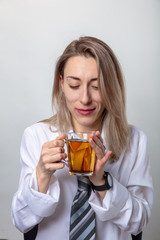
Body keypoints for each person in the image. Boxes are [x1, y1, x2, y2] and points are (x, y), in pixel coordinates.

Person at [11, 36, 153, 240]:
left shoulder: (135, 140)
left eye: (96, 86)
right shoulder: (36, 136)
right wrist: (41, 175)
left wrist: (102, 183)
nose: (85, 99)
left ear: (111, 87)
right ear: (61, 84)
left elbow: (139, 222)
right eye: (74, 85)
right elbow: (21, 221)